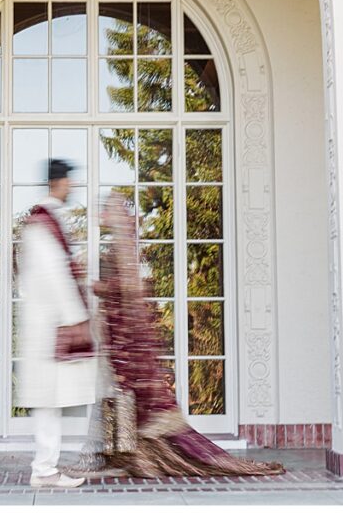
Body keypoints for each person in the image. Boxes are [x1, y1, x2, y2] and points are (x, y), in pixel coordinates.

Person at [84, 193, 285, 478]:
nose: (101, 216)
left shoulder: (125, 247)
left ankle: (139, 461)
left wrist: (97, 288)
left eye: (106, 211)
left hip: (128, 336)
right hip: (119, 336)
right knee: (118, 393)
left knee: (127, 393)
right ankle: (122, 457)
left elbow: (130, 288)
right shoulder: (119, 245)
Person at [16, 158, 97, 488]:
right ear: (58, 183)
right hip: (48, 324)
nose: (72, 187)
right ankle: (45, 470)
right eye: (69, 181)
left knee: (50, 400)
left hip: (46, 322)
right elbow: (54, 275)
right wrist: (77, 317)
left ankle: (45, 467)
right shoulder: (43, 223)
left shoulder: (42, 221)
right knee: (49, 400)